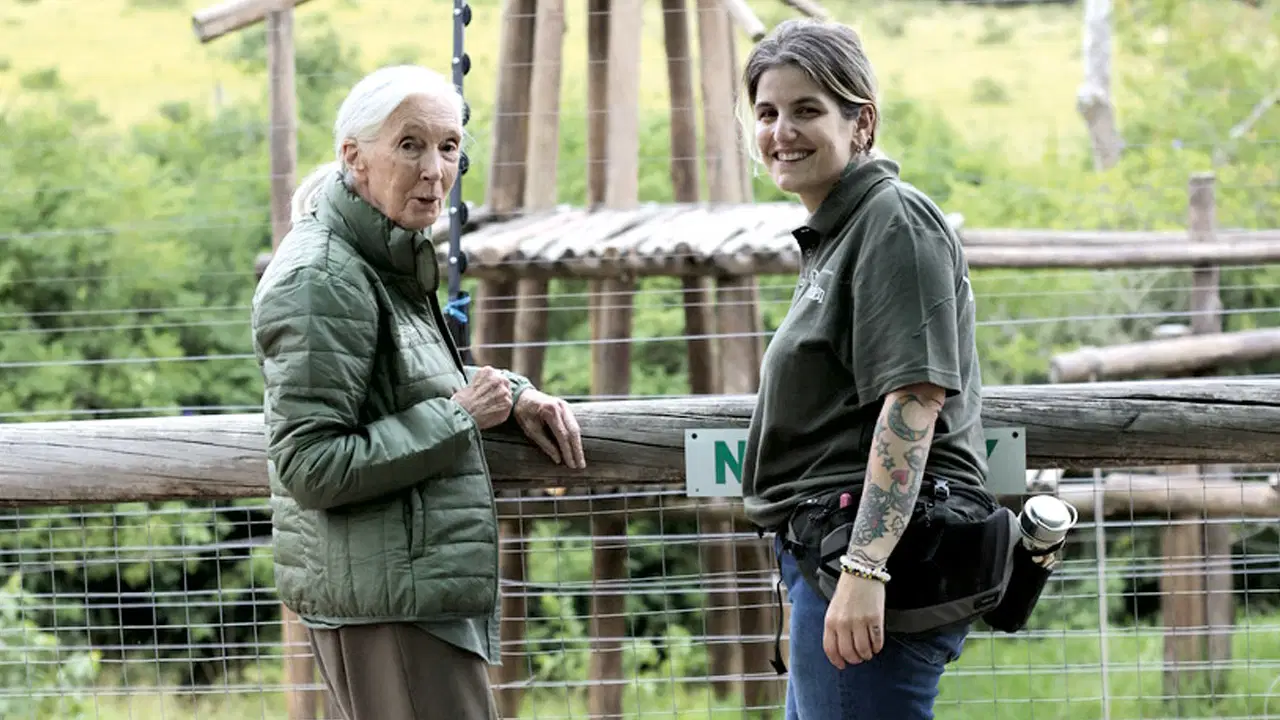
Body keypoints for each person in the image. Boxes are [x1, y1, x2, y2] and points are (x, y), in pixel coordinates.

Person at [250, 64, 587, 720]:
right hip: (388, 610)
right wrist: (459, 418)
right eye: (410, 145)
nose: (435, 168)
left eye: (450, 146)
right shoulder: (324, 278)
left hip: (407, 596)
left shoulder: (382, 257)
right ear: (355, 157)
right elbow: (310, 466)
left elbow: (413, 383)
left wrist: (513, 395)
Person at [737, 19, 992, 720]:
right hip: (831, 556)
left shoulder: (892, 223)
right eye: (767, 112)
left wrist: (864, 568)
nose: (781, 131)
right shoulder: (838, 231)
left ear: (862, 122)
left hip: (874, 559)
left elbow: (913, 399)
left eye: (807, 110)